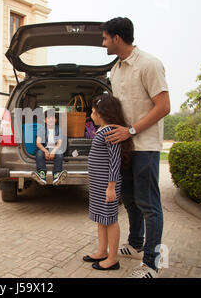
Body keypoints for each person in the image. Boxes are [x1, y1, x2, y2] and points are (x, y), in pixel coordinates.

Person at [100, 17, 171, 278]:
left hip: (145, 146)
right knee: (129, 199)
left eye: (105, 38)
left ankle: (152, 264)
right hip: (125, 147)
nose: (103, 42)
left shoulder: (149, 64)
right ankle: (136, 242)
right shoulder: (116, 69)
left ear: (117, 38)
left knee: (149, 204)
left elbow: (164, 106)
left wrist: (130, 130)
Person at [83, 94, 133, 271]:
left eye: (93, 112)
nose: (91, 115)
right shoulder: (103, 130)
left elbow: (114, 160)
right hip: (99, 185)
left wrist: (111, 186)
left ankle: (112, 259)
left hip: (107, 186)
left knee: (110, 220)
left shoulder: (110, 131)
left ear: (102, 113)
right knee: (100, 218)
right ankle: (102, 251)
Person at [32, 109, 67, 185]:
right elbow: (38, 143)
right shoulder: (41, 129)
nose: (50, 120)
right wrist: (45, 151)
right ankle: (42, 175)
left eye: (53, 118)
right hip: (45, 149)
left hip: (55, 149)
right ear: (45, 120)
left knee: (60, 154)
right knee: (39, 153)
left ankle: (57, 175)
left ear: (56, 120)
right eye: (48, 118)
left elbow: (59, 143)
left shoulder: (58, 129)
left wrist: (54, 151)